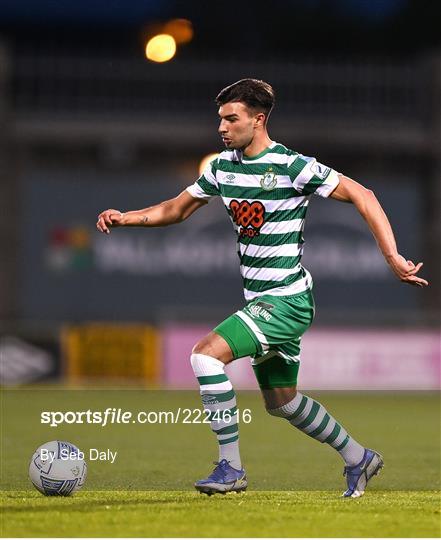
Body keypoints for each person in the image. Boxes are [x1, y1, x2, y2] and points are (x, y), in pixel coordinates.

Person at [96, 79, 428, 498]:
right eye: (220, 118)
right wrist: (127, 217)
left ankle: (231, 469)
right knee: (283, 403)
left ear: (259, 119)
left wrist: (392, 256)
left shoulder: (292, 166)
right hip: (262, 301)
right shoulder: (221, 167)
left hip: (286, 301)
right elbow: (177, 209)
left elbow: (364, 195)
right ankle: (358, 457)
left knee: (204, 357)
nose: (222, 127)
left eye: (231, 118)